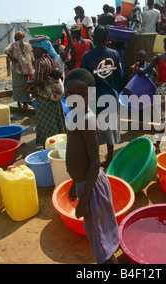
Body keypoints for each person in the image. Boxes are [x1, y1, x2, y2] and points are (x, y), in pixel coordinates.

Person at [64, 68, 119, 264]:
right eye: (71, 94)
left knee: (99, 242)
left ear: (91, 95)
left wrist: (84, 200)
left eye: (82, 95)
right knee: (101, 232)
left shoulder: (86, 119)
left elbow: (96, 161)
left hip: (92, 187)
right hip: (86, 183)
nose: (76, 99)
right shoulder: (74, 117)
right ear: (64, 93)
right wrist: (74, 182)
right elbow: (83, 159)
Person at [80, 26, 127, 168]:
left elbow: (83, 79)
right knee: (110, 131)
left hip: (94, 99)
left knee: (93, 130)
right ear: (108, 39)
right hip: (111, 97)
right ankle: (109, 158)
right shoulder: (115, 54)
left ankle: (94, 159)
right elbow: (121, 76)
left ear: (93, 38)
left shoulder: (87, 56)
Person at [27, 36, 66, 146]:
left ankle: (47, 144)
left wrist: (29, 84)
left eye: (34, 49)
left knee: (46, 121)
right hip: (54, 96)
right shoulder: (52, 59)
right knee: (55, 118)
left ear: (40, 49)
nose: (33, 52)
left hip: (44, 97)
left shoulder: (40, 61)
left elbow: (38, 81)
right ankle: (59, 141)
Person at [4, 31, 35, 109]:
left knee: (17, 87)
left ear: (15, 38)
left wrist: (12, 58)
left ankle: (18, 103)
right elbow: (32, 57)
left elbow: (6, 51)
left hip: (17, 69)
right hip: (26, 69)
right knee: (25, 86)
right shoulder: (28, 45)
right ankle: (25, 103)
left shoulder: (13, 45)